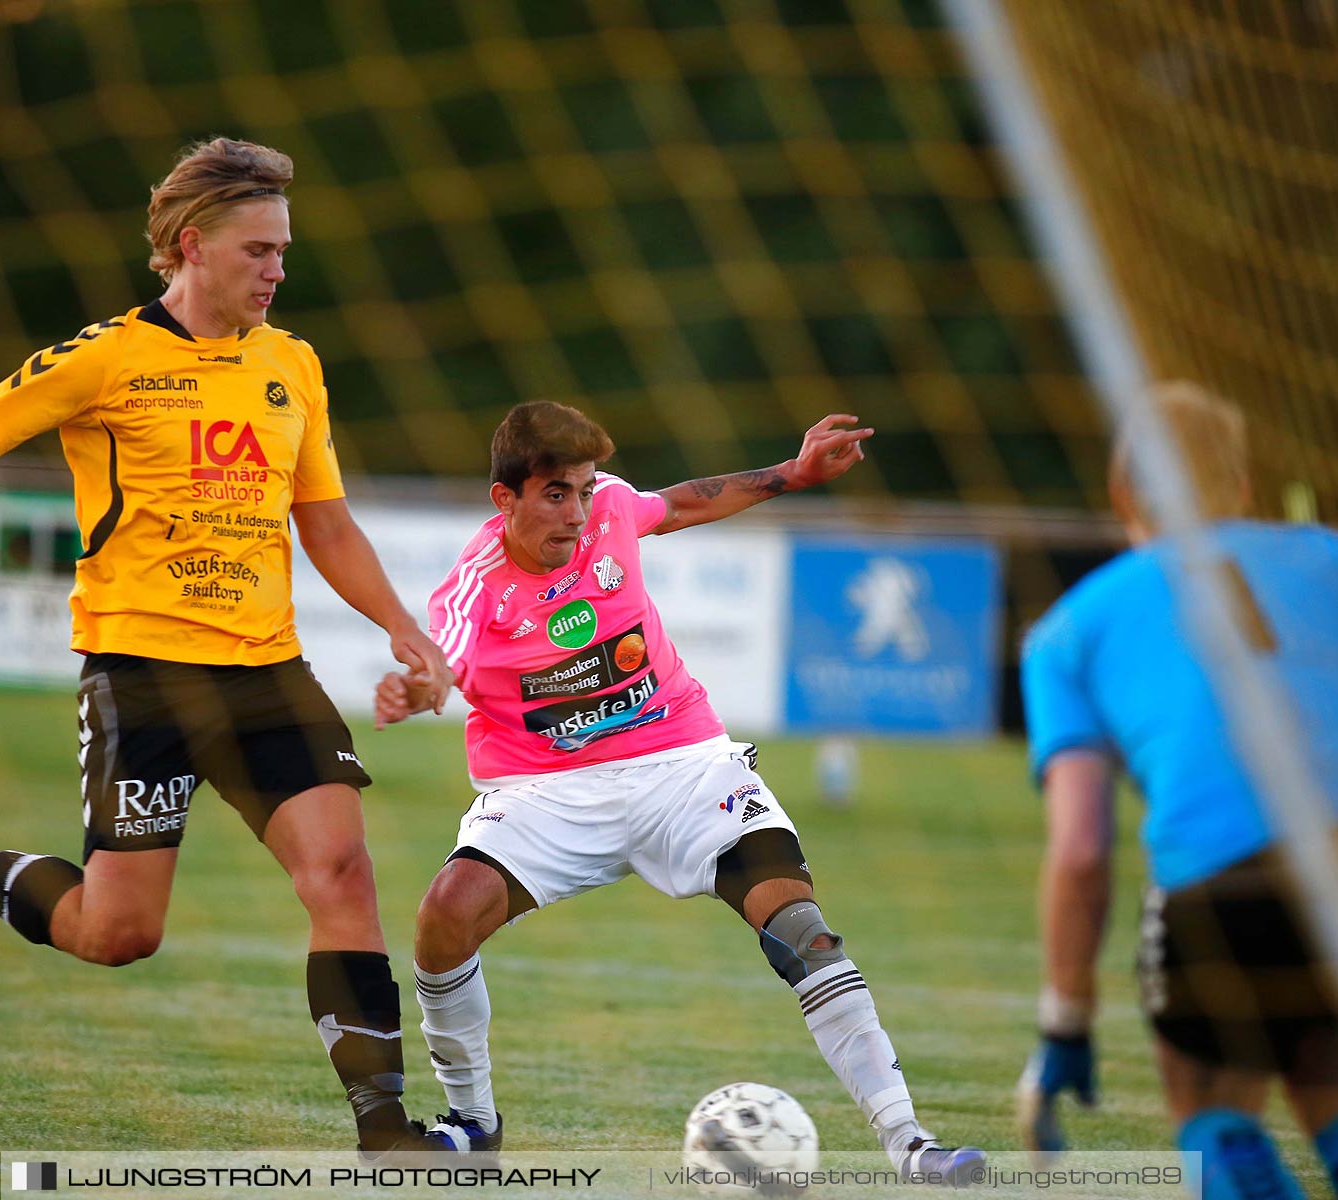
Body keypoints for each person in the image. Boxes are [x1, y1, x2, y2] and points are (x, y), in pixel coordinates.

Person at [0, 137, 453, 1155]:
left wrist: (404, 628)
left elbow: (329, 526)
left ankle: (385, 1129)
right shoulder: (105, 357)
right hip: (142, 677)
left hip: (267, 669)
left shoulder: (292, 367)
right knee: (117, 934)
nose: (278, 269)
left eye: (283, 251)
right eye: (259, 250)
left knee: (342, 872)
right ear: (192, 246)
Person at [373, 401, 985, 1180]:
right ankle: (474, 1122)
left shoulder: (610, 513)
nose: (577, 512)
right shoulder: (474, 587)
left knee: (802, 930)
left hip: (684, 767)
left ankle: (910, 1144)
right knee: (443, 915)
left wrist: (792, 474)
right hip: (546, 794)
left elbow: (687, 500)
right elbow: (439, 658)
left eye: (585, 491)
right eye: (556, 494)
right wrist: (413, 686)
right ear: (506, 499)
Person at [1019, 383, 1338, 1199]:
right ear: (1242, 490)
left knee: (1205, 1089)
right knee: (1332, 1079)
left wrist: (1066, 1018)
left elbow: (1082, 846)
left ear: (1121, 493)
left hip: (1231, 857)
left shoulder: (1069, 628)